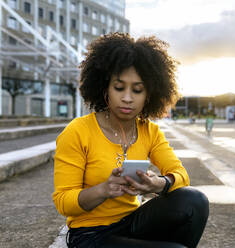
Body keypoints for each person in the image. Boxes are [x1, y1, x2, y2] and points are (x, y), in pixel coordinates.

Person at [53, 33, 209, 248]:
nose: (127, 97)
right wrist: (104, 190)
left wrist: (158, 184)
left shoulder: (150, 131)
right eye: (119, 87)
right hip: (90, 235)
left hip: (131, 222)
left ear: (149, 95)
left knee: (194, 201)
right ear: (104, 88)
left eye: (137, 90)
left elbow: (181, 175)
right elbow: (63, 202)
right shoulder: (78, 131)